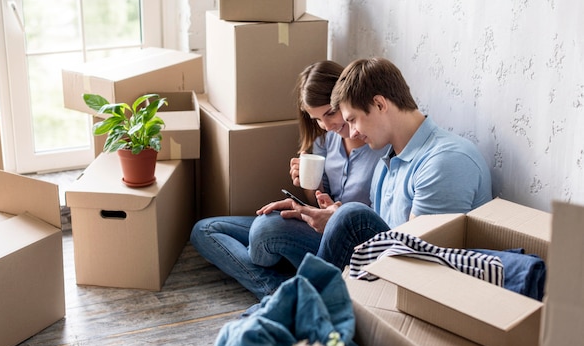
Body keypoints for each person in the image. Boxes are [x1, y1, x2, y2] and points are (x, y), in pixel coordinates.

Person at [190, 61, 386, 300]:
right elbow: (318, 202)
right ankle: (277, 289)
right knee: (205, 230)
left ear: (345, 99)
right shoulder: (325, 140)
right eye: (316, 119)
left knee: (265, 231)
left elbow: (376, 222)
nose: (327, 125)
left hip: (344, 244)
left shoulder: (378, 146)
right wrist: (307, 185)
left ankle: (285, 284)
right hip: (317, 228)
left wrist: (333, 213)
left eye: (330, 113)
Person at [283, 57, 493, 269]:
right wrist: (335, 216)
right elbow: (378, 232)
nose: (352, 132)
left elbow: (420, 260)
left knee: (350, 215)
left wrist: (342, 219)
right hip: (387, 267)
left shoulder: (446, 161)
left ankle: (300, 297)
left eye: (353, 119)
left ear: (379, 104)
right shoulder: (386, 163)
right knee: (279, 226)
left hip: (425, 280)